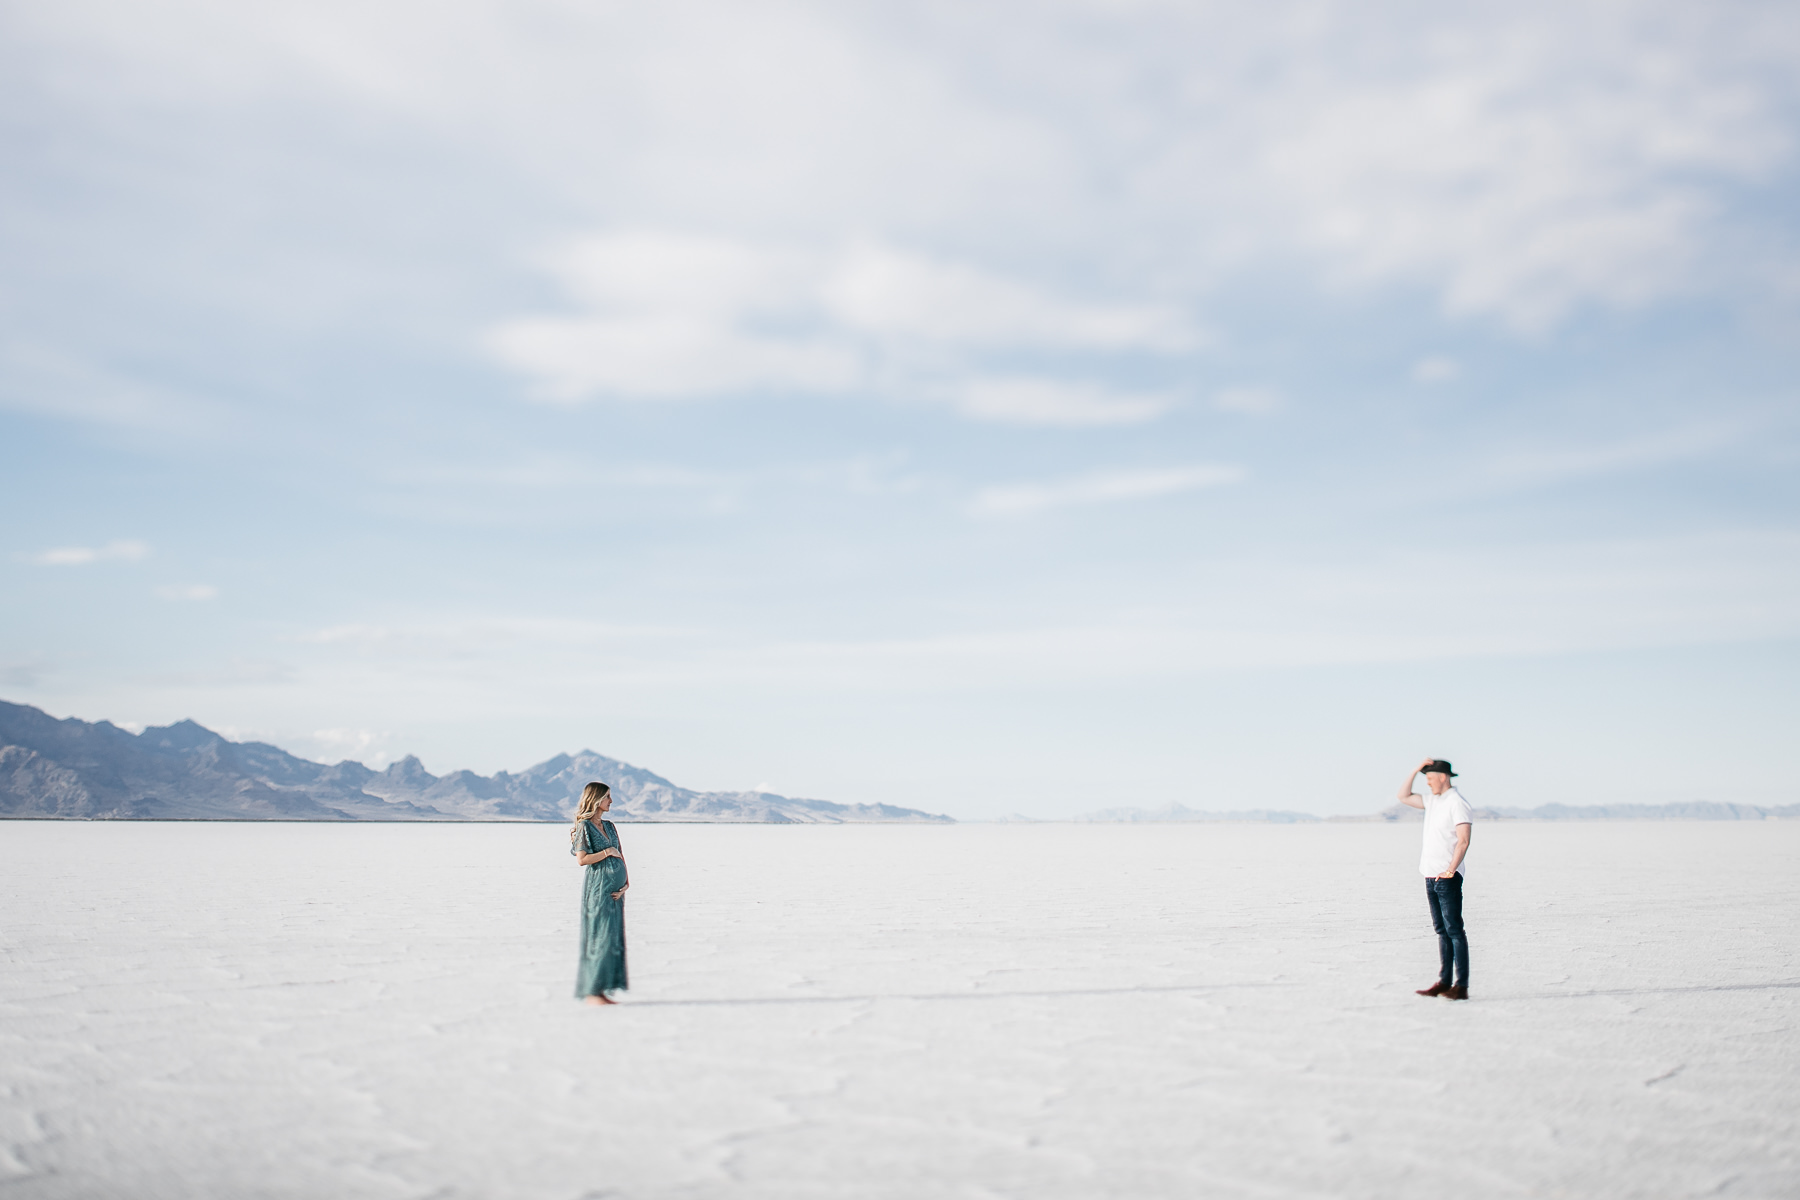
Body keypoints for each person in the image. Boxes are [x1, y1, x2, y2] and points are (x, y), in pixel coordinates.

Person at [1398, 757, 1472, 1000]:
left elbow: (1463, 840)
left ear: (1443, 777)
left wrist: (1451, 869)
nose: (1427, 784)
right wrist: (1416, 769)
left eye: (1430, 778)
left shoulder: (1457, 803)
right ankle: (1444, 982)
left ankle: (1460, 986)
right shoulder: (1432, 801)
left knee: (1454, 931)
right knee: (1442, 930)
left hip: (1446, 877)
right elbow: (1403, 796)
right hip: (1429, 874)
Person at [570, 781, 629, 1005]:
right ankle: (593, 992)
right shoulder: (585, 827)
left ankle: (603, 988)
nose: (611, 801)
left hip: (616, 891)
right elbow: (582, 859)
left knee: (613, 940)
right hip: (598, 889)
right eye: (607, 797)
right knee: (599, 938)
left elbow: (621, 854)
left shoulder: (611, 826)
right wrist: (606, 851)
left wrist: (626, 883)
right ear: (595, 799)